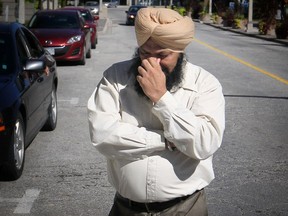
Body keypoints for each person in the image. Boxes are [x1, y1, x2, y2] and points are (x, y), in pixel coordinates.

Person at [87, 8, 225, 216]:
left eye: (162, 55)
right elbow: (103, 135)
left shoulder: (204, 83)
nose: (152, 63)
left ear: (180, 52)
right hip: (127, 209)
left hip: (186, 208)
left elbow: (205, 143)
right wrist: (166, 140)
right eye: (145, 53)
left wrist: (161, 98)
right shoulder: (115, 77)